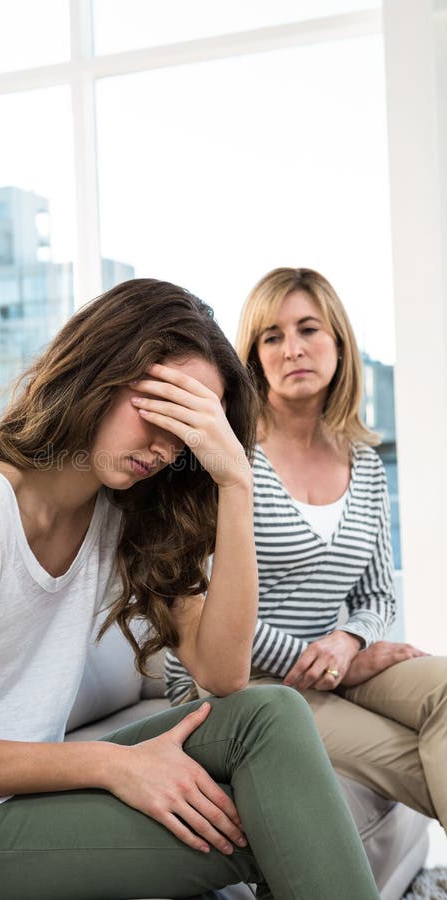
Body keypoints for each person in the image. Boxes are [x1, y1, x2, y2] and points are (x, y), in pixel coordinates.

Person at [0, 278, 380, 900]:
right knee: (281, 820)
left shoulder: (116, 513)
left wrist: (236, 482)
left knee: (269, 716)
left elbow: (225, 673)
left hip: (13, 794)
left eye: (187, 431)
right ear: (98, 370)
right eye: (157, 409)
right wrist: (110, 763)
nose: (165, 445)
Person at [166, 267, 447, 836]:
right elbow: (208, 612)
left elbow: (377, 591)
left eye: (308, 329)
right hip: (245, 679)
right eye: (272, 336)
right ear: (252, 356)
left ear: (339, 345)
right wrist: (329, 665)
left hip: (330, 660)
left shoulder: (365, 463)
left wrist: (348, 642)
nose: (292, 349)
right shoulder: (231, 461)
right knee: (413, 753)